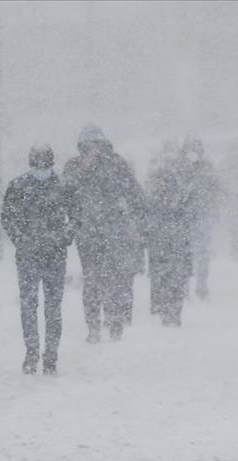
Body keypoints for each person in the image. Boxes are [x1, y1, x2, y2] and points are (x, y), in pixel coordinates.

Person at [63, 124, 146, 343]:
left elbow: (135, 194)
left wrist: (136, 223)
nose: (92, 150)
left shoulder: (116, 164)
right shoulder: (73, 166)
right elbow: (64, 195)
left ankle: (115, 319)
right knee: (91, 279)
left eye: (95, 145)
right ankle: (93, 325)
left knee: (113, 277)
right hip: (87, 233)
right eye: (87, 146)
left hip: (113, 231)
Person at [1, 144, 73, 375]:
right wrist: (21, 240)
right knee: (29, 306)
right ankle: (32, 351)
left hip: (55, 255)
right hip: (28, 256)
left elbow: (76, 216)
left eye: (45, 166)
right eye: (37, 166)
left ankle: (50, 356)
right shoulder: (18, 186)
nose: (41, 170)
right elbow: (7, 218)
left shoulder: (64, 186)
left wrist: (64, 237)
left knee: (52, 308)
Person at [146, 138, 203, 327]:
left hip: (176, 245)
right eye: (158, 181)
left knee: (176, 280)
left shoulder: (178, 198)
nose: (160, 184)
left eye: (162, 181)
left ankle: (174, 312)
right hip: (162, 246)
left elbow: (189, 216)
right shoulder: (154, 198)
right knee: (163, 280)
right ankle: (165, 311)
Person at [184, 137, 221, 300]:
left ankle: (198, 287)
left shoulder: (204, 168)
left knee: (198, 254)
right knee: (190, 254)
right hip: (190, 217)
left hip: (199, 216)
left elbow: (216, 191)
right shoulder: (185, 168)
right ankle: (191, 288)